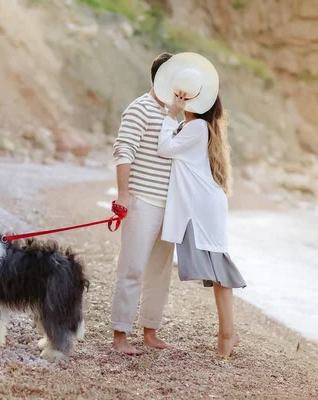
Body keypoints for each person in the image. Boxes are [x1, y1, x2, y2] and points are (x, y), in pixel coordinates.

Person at [154, 52, 246, 358]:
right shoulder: (199, 127)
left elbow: (165, 149)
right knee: (218, 272)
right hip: (205, 204)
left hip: (202, 208)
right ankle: (227, 335)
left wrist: (170, 114)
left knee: (219, 272)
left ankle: (227, 337)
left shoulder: (194, 128)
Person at [110, 52, 176, 356]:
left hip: (169, 205)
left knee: (160, 271)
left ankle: (150, 331)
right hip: (142, 200)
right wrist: (123, 195)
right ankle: (120, 335)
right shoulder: (140, 108)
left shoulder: (177, 116)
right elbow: (124, 151)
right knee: (132, 268)